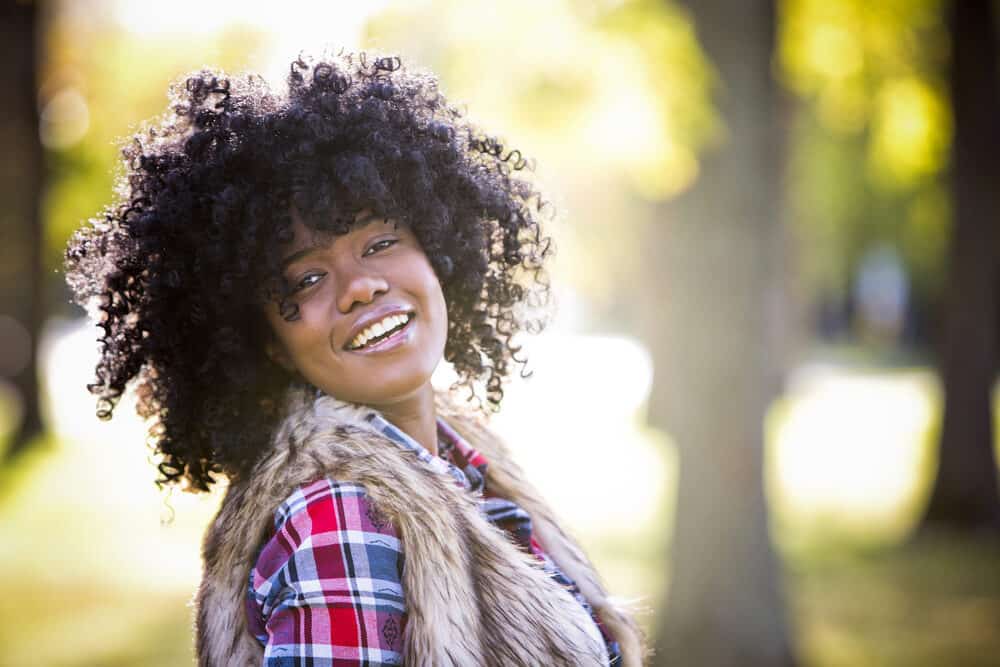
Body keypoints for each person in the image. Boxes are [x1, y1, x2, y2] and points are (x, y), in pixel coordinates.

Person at [65, 50, 646, 666]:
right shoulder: (340, 518)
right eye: (307, 279)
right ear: (267, 344)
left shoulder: (462, 462)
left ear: (439, 253)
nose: (361, 285)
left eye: (382, 241)